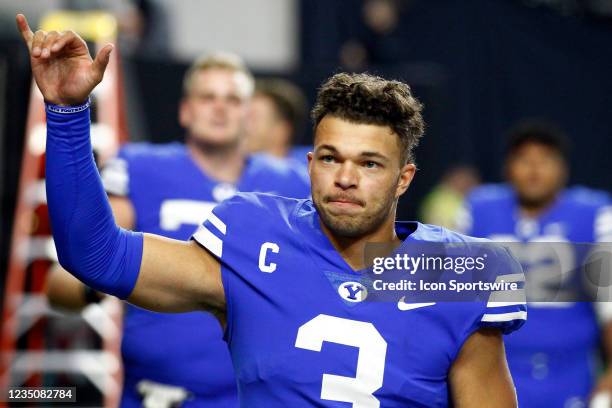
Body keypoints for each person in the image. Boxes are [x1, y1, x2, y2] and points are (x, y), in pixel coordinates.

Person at [18, 14, 526, 406]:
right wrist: (66, 115)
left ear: (404, 179)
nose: (345, 177)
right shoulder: (253, 238)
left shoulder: (457, 275)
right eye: (331, 158)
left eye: (369, 163)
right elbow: (96, 258)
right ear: (309, 164)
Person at [45, 51, 310, 407]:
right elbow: (81, 265)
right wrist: (98, 283)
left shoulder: (290, 181)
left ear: (249, 115)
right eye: (208, 97)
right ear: (185, 110)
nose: (220, 108)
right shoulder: (139, 166)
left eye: (232, 99)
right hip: (158, 395)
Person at [457, 120, 612, 408]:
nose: (534, 170)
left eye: (545, 161)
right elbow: (458, 301)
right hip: (490, 370)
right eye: (524, 160)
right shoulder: (478, 208)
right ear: (508, 167)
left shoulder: (594, 215)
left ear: (563, 168)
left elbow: (610, 305)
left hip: (571, 376)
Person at [245, 78, 310, 162]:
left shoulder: (310, 171)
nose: (242, 126)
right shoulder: (229, 170)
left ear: (281, 130)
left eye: (252, 118)